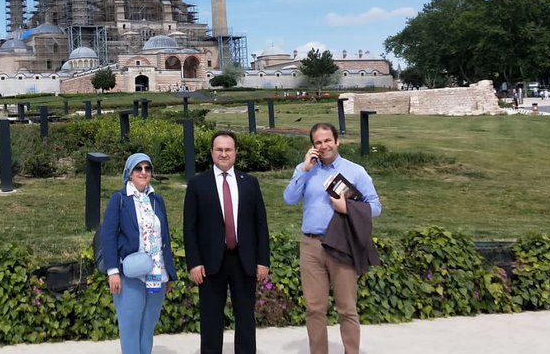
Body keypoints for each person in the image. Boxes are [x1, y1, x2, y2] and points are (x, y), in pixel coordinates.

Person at [283, 123, 381, 354]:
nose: (323, 145)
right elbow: (288, 199)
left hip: (341, 244)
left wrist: (347, 207)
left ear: (337, 141)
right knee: (314, 309)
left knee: (347, 308)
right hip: (311, 245)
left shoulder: (355, 171)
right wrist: (304, 171)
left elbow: (375, 207)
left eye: (327, 140)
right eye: (318, 142)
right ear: (313, 146)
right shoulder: (304, 169)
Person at [183, 130, 270, 354]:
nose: (223, 154)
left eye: (228, 150)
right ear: (212, 153)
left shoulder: (250, 183)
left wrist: (263, 261)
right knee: (211, 319)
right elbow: (189, 228)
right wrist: (194, 263)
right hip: (211, 264)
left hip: (244, 260)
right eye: (219, 150)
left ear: (235, 153)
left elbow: (261, 224)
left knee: (245, 318)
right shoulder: (197, 184)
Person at [101, 153, 177, 354]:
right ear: (129, 173)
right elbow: (108, 236)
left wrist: (168, 274)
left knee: (147, 329)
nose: (143, 172)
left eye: (147, 168)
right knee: (130, 329)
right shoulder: (119, 200)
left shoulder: (156, 201)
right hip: (130, 275)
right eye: (138, 168)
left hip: (156, 275)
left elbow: (165, 238)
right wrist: (113, 272)